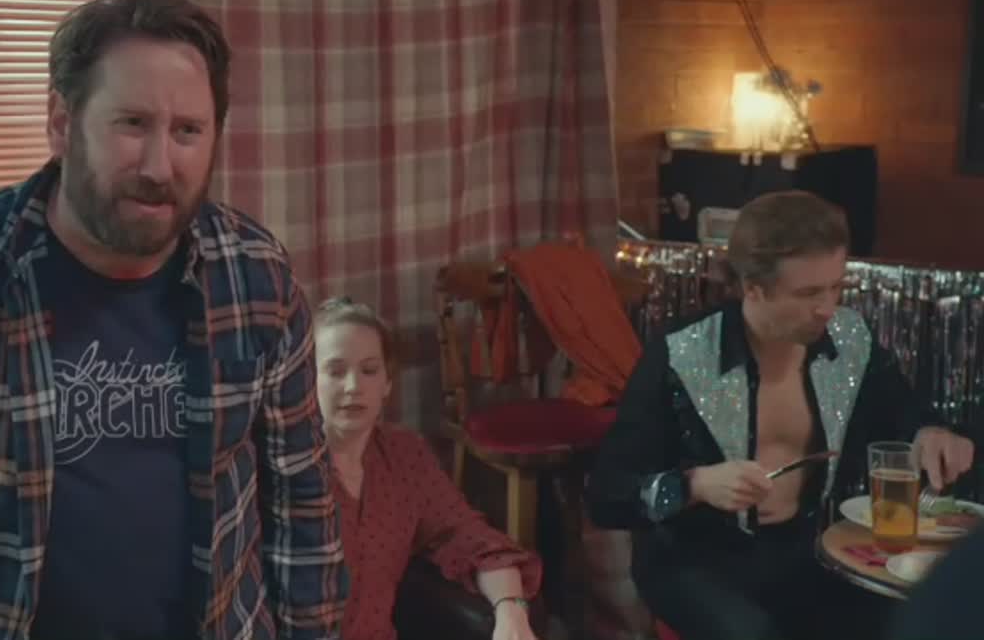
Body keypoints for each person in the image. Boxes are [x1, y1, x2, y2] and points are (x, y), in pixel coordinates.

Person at [0, 0, 348, 640]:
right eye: (132, 124)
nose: (159, 166)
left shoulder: (256, 274)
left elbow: (301, 497)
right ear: (61, 123)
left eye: (187, 131)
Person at [586, 191, 976, 640]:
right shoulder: (681, 354)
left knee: (905, 621)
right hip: (693, 560)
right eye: (808, 293)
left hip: (807, 551)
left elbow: (904, 413)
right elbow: (608, 494)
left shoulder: (849, 339)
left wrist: (931, 432)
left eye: (836, 287)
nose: (827, 307)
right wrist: (695, 485)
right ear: (753, 288)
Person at [312, 297, 542, 640]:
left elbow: (472, 539)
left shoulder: (404, 456)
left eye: (369, 370)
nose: (353, 386)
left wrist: (511, 612)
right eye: (335, 371)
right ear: (307, 380)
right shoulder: (283, 466)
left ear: (387, 384)